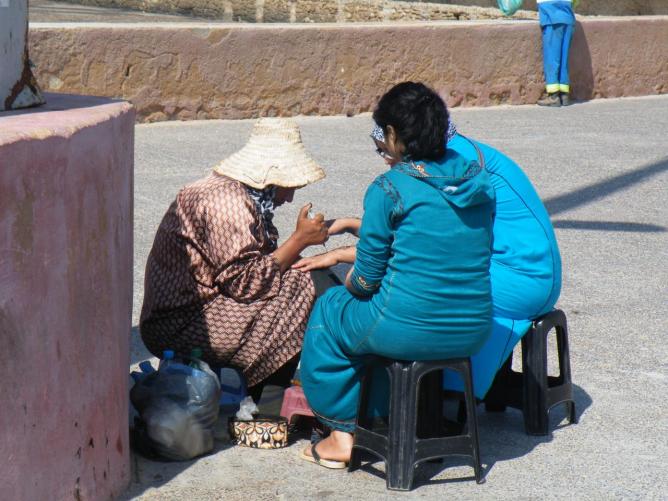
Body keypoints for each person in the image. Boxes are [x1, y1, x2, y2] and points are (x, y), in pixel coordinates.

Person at [297, 105, 562, 403]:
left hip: (518, 278)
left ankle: (397, 403)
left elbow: (429, 243)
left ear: (400, 139)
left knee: (392, 295)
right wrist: (350, 226)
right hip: (532, 273)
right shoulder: (451, 157)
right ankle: (434, 396)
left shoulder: (457, 163)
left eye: (385, 151)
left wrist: (344, 256)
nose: (386, 161)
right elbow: (426, 229)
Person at [296, 82, 496, 468]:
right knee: (373, 319)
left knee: (331, 310)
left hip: (405, 327)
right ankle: (399, 417)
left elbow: (367, 279)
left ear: (392, 134)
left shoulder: (390, 187)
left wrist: (347, 279)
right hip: (472, 328)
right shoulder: (478, 181)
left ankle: (341, 436)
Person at [139, 118, 329, 401]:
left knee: (307, 271)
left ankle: (268, 391)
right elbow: (247, 284)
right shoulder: (227, 203)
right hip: (181, 323)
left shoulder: (234, 194)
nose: (289, 198)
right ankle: (269, 398)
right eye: (289, 186)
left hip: (194, 309)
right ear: (270, 179)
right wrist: (299, 240)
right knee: (306, 284)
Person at [536, 0, 576, 107]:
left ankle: (553, 96)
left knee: (552, 58)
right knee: (564, 59)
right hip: (568, 16)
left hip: (552, 15)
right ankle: (564, 95)